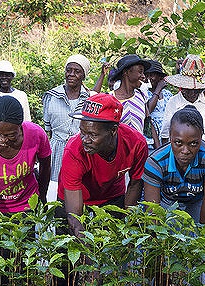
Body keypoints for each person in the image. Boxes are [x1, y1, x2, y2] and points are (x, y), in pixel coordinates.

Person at [58, 93, 148, 237]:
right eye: (82, 132)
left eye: (93, 134)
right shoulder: (74, 150)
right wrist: (86, 253)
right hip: (74, 198)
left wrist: (128, 223)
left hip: (111, 196)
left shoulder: (136, 143)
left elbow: (135, 183)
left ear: (113, 130)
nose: (85, 140)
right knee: (67, 247)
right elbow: (74, 219)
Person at [143, 106, 205, 223]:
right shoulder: (155, 162)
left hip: (197, 201)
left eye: (193, 144)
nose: (185, 151)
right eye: (178, 143)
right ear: (170, 137)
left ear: (201, 138)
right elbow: (152, 209)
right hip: (168, 202)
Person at [42, 54, 91, 182]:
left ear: (84, 75)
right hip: (56, 149)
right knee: (54, 186)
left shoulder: (89, 99)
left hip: (81, 150)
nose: (71, 74)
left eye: (77, 71)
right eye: (68, 70)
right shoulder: (51, 97)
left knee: (78, 185)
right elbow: (49, 129)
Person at [161, 54, 205, 148]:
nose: (192, 93)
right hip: (182, 152)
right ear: (182, 87)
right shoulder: (174, 102)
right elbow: (165, 133)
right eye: (188, 89)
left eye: (197, 90)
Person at [110, 54, 151, 134]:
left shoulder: (141, 96)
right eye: (140, 71)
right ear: (126, 72)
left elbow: (148, 124)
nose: (143, 76)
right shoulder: (110, 99)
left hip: (139, 146)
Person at [144, 60, 173, 148]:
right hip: (150, 139)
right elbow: (149, 109)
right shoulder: (144, 93)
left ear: (160, 77)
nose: (149, 78)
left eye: (152, 75)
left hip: (167, 137)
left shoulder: (168, 94)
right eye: (147, 75)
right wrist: (158, 89)